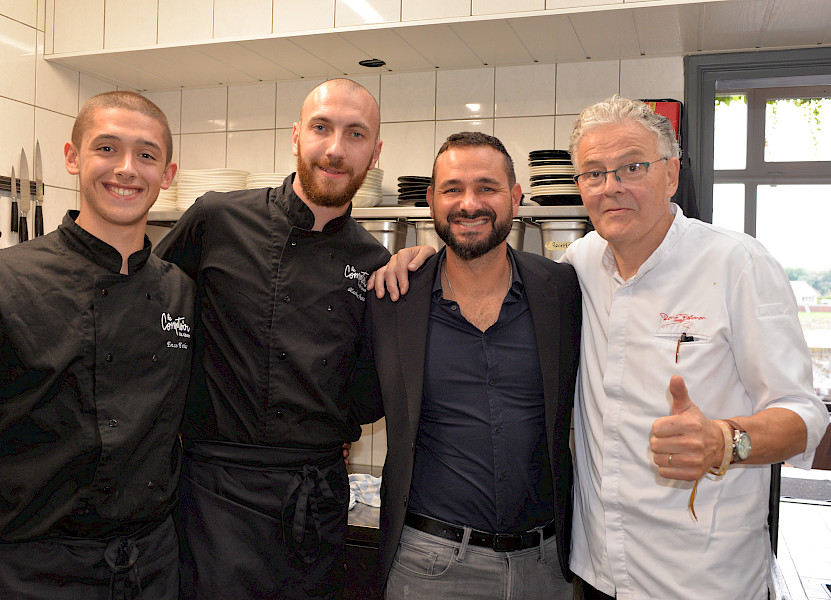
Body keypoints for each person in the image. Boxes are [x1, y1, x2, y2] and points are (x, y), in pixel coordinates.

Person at [370, 96, 828, 600]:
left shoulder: (737, 264)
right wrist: (420, 257)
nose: (612, 187)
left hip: (702, 578)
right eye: (594, 173)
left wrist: (724, 441)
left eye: (632, 167)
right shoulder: (577, 269)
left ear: (671, 174)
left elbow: (805, 415)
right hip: (593, 572)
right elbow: (474, 256)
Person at [154, 78, 390, 600]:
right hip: (216, 496)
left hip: (317, 502)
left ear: (374, 154)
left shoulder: (375, 261)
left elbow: (370, 388)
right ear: (296, 136)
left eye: (355, 134)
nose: (335, 149)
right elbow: (150, 316)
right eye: (321, 128)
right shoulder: (216, 218)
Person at [363, 132, 580, 599]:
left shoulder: (562, 290)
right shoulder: (393, 298)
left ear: (515, 198)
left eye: (487, 187)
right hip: (429, 566)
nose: (469, 203)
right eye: (452, 189)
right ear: (430, 201)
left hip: (546, 567)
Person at [0, 91, 193, 599]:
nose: (126, 168)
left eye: (146, 154)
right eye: (107, 148)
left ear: (167, 175)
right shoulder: (9, 281)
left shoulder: (181, 290)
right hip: (30, 571)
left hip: (151, 566)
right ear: (72, 158)